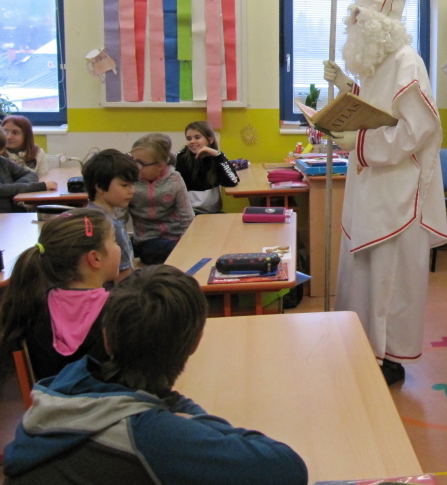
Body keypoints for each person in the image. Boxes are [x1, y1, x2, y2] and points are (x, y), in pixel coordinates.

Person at [2, 265, 309, 484]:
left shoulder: (63, 385)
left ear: (106, 339)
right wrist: (182, 411)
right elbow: (288, 468)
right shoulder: (151, 436)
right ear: (196, 343)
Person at [323, 0, 447, 386]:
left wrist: (356, 143)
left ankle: (385, 357)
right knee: (362, 275)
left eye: (358, 19)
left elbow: (416, 130)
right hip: (370, 186)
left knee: (388, 282)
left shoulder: (407, 63)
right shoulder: (376, 62)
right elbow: (374, 110)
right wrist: (345, 87)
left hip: (396, 192)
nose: (351, 25)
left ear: (379, 25)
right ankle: (362, 348)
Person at [0, 208, 119, 380]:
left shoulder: (33, 304)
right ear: (95, 258)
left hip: (47, 397)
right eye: (114, 241)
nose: (118, 247)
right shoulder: (119, 310)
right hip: (109, 398)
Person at [127, 133, 194, 265]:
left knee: (177, 250)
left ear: (161, 165)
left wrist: (186, 243)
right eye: (133, 160)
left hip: (172, 239)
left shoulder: (174, 179)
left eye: (140, 163)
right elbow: (119, 216)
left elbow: (187, 215)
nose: (135, 167)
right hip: (145, 239)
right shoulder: (130, 181)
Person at [82, 149, 139, 283]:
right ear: (100, 187)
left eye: (132, 185)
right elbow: (123, 277)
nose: (132, 190)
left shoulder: (86, 215)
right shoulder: (111, 227)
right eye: (125, 185)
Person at [175, 121, 240, 214]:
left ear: (210, 140)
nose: (192, 141)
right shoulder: (181, 157)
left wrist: (218, 155)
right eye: (189, 138)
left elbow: (233, 182)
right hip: (191, 213)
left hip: (213, 212)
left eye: (197, 137)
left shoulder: (217, 156)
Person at [0, 131, 57, 213]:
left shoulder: (3, 162)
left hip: (13, 214)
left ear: (2, 150)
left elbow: (31, 174)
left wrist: (14, 188)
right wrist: (42, 186)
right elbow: (2, 190)